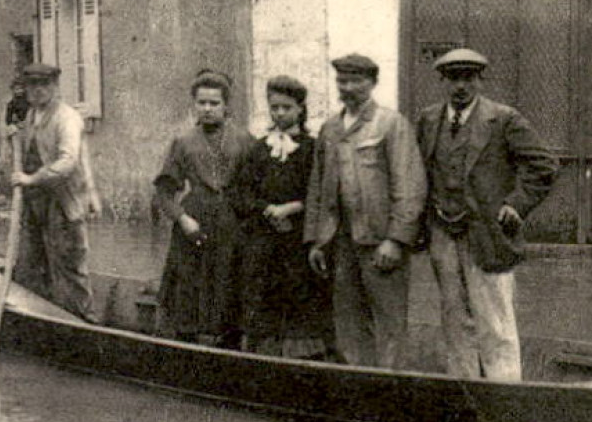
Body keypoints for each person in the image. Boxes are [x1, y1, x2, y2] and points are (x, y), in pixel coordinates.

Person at [415, 48, 558, 382]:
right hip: (443, 233)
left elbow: (545, 165)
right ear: (442, 81)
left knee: (494, 321)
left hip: (488, 236)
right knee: (454, 318)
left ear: (480, 80)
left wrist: (516, 204)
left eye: (468, 78)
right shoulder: (428, 119)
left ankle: (506, 394)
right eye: (453, 78)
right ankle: (463, 392)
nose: (460, 86)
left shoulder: (503, 119)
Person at [305, 54, 428, 370]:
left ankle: (391, 390)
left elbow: (410, 186)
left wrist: (397, 240)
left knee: (389, 321)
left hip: (379, 241)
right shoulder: (330, 129)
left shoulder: (390, 124)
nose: (347, 88)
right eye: (342, 81)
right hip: (341, 240)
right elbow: (318, 188)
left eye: (355, 81)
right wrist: (318, 241)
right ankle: (359, 390)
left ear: (372, 83)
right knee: (348, 321)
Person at [230, 75, 334, 359]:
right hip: (263, 240)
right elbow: (240, 192)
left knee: (299, 296)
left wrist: (291, 208)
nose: (279, 113)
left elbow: (323, 191)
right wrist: (266, 209)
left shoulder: (312, 150)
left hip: (298, 239)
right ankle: (264, 358)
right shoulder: (259, 150)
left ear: (300, 108)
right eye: (274, 107)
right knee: (263, 297)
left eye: (286, 107)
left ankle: (301, 361)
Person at [153, 70, 256, 348]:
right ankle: (186, 347)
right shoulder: (183, 142)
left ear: (226, 106)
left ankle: (229, 349)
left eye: (214, 103)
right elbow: (164, 192)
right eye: (201, 103)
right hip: (193, 222)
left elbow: (256, 187)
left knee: (229, 285)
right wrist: (182, 218)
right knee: (188, 289)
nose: (207, 109)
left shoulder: (245, 140)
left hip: (231, 222)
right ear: (194, 105)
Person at [10, 62, 96, 320]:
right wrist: (16, 136)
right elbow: (30, 150)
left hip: (63, 200)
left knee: (69, 263)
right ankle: (40, 318)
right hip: (35, 201)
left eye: (44, 85)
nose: (37, 91)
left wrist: (31, 178)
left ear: (55, 87)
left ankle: (82, 321)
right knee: (30, 263)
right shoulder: (31, 115)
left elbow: (67, 162)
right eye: (32, 86)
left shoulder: (67, 117)